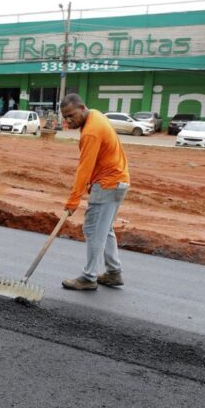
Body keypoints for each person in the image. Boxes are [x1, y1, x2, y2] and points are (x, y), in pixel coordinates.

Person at [58, 92, 131, 291]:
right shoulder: (96, 114)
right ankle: (114, 273)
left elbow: (84, 168)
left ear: (82, 108)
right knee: (104, 228)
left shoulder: (91, 131)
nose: (68, 120)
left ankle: (89, 277)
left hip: (107, 184)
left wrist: (73, 200)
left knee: (93, 230)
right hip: (118, 181)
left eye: (71, 115)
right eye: (65, 117)